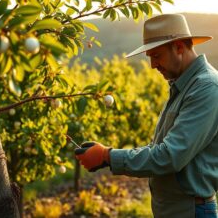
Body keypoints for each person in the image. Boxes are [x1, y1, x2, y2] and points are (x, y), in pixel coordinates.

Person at [75, 14, 218, 218]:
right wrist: (106, 157)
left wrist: (108, 155)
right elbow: (159, 148)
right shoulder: (183, 87)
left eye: (156, 56)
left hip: (189, 211)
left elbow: (170, 156)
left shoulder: (206, 88)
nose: (152, 65)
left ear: (178, 47)